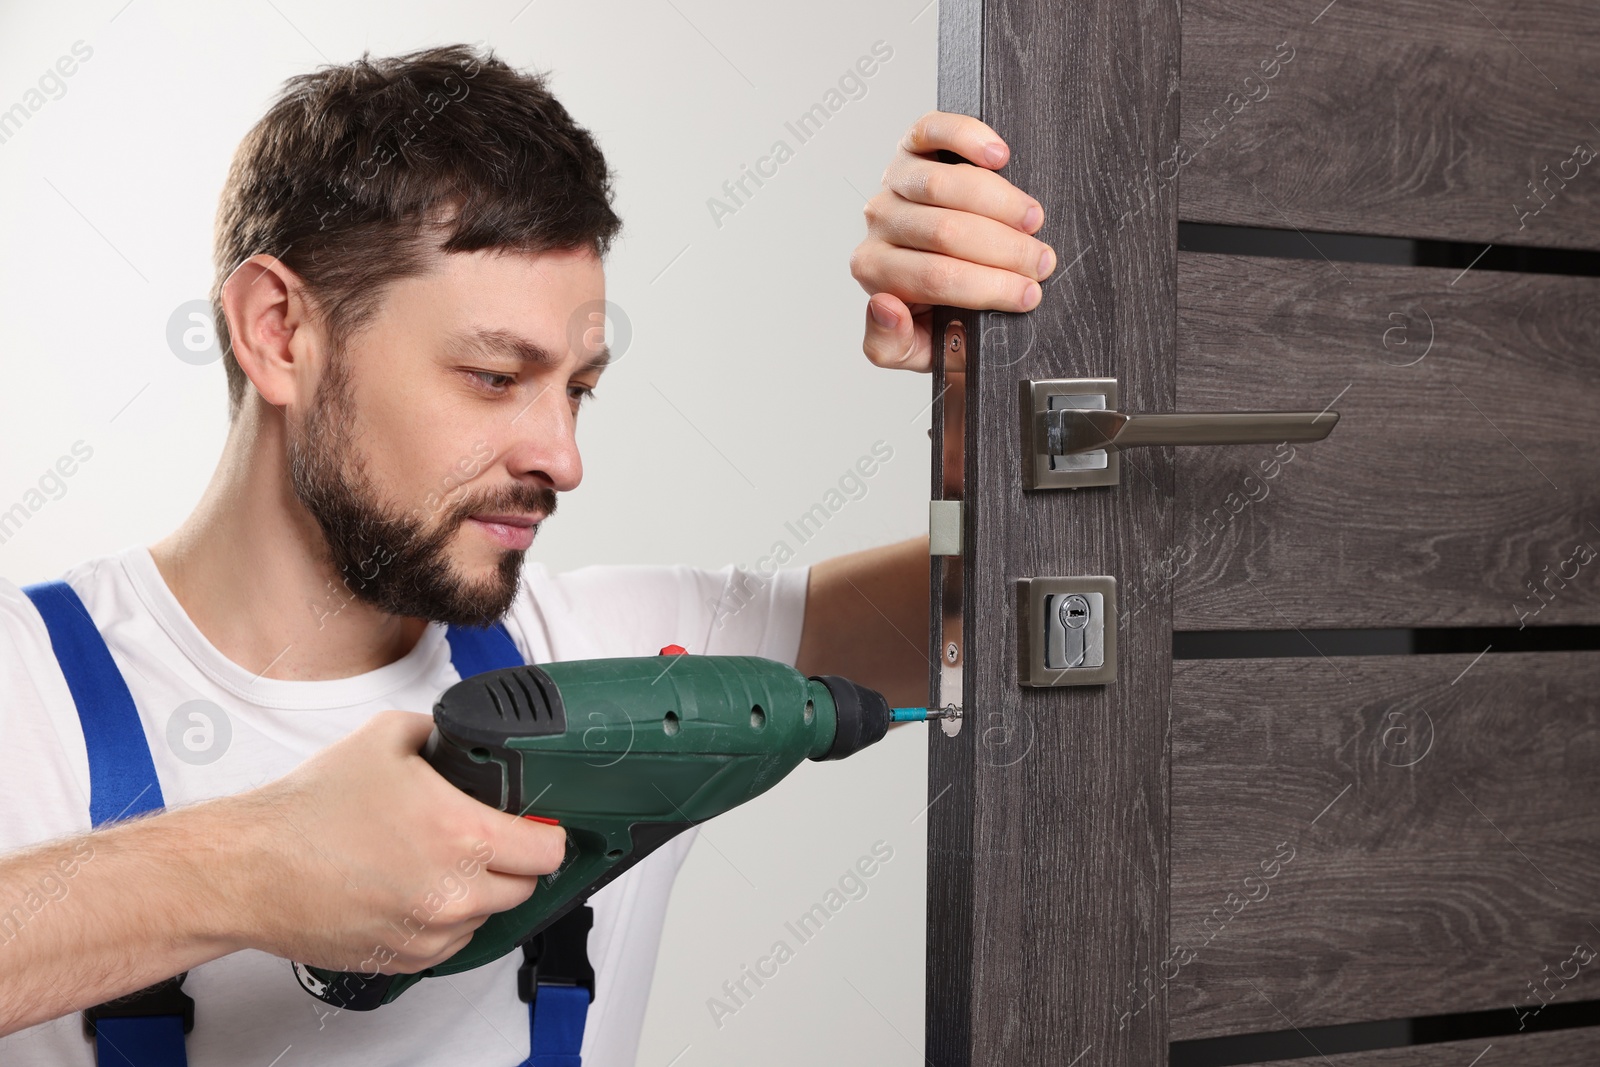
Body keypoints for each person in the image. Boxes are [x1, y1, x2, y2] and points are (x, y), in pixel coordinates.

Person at [0, 42, 1054, 1066]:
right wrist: (246, 867)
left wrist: (975, 372)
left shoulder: (627, 667)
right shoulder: (25, 684)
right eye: (496, 376)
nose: (562, 455)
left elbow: (1043, 605)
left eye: (578, 388)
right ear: (279, 330)